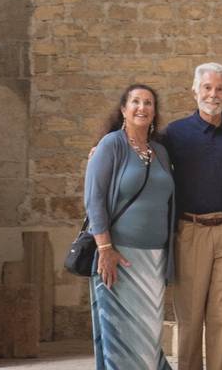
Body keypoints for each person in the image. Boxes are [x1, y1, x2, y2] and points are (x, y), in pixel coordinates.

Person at [161, 63, 222, 370]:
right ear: (195, 90)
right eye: (208, 88)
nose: (214, 94)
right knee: (190, 315)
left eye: (220, 88)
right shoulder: (175, 133)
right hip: (191, 231)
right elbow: (140, 151)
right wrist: (103, 148)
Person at [83, 84, 175, 370]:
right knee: (120, 340)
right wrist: (105, 248)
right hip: (117, 257)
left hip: (154, 259)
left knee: (148, 340)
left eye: (148, 103)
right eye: (135, 102)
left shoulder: (160, 151)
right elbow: (94, 198)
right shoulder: (111, 145)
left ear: (154, 112)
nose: (142, 108)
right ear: (123, 109)